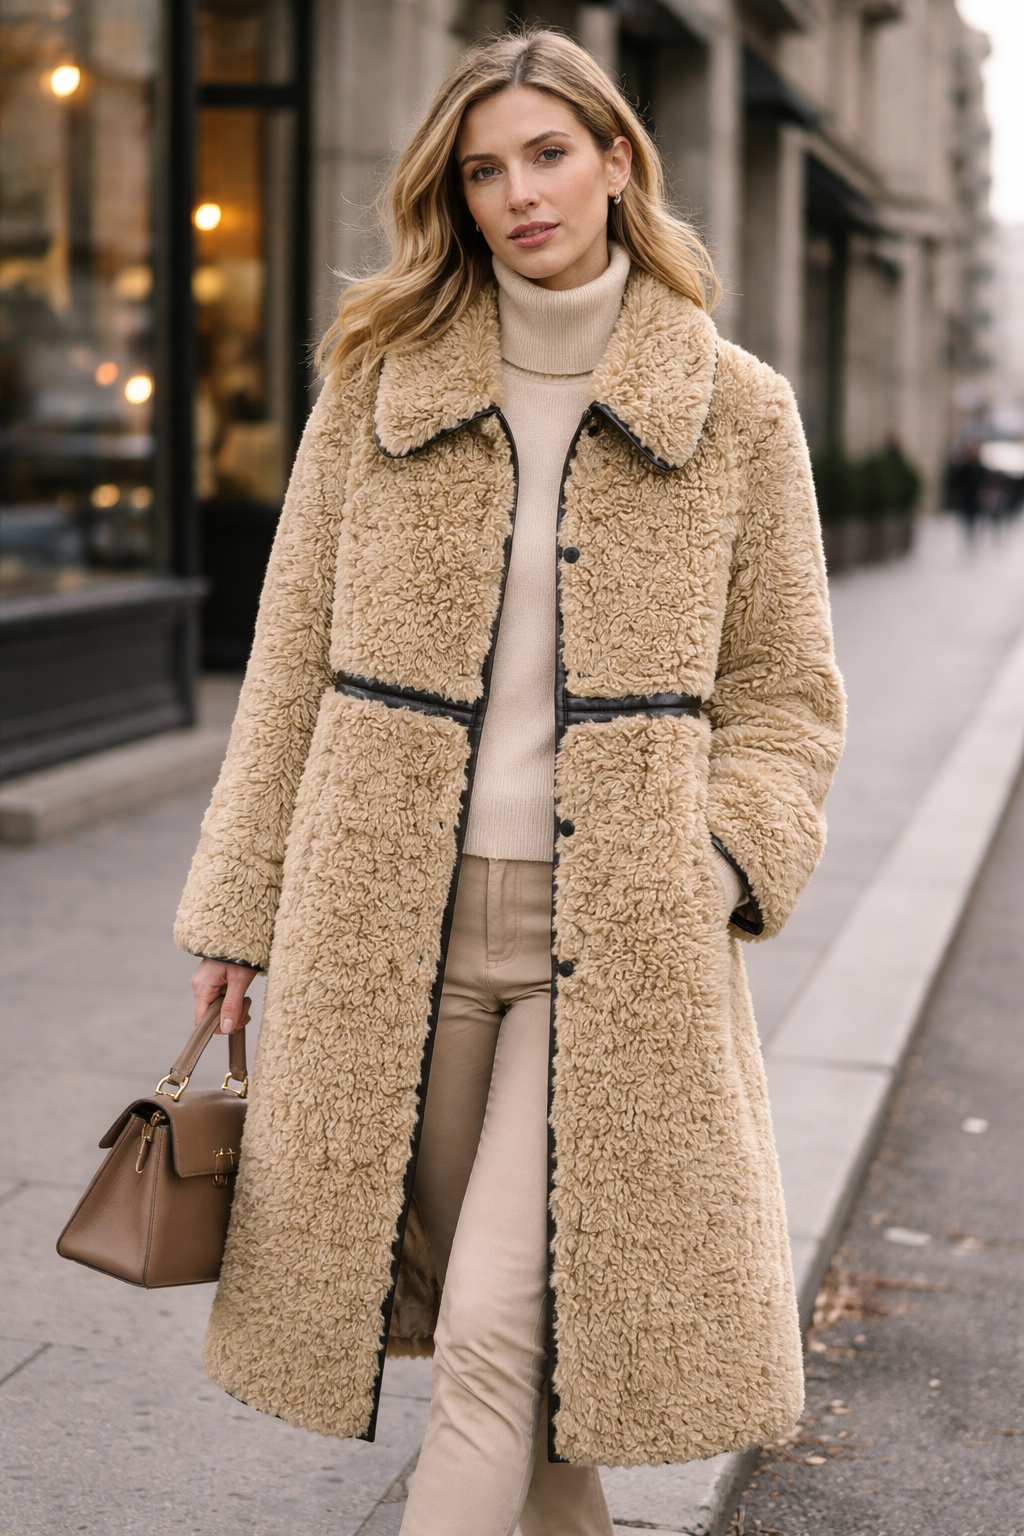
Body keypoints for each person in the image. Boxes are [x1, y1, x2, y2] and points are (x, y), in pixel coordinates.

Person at [175, 28, 845, 1536]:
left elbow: (787, 694)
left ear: (619, 161)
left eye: (549, 153)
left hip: (612, 940)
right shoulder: (377, 387)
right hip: (383, 929)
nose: (518, 193)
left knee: (489, 1332)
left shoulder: (738, 410)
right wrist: (238, 908)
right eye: (484, 170)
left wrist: (722, 862)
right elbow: (286, 660)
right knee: (527, 1362)